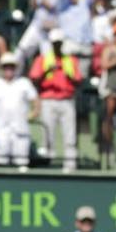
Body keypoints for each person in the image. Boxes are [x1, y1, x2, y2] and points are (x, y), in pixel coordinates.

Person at [29, 28, 82, 170]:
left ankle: (70, 166)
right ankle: (48, 165)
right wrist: (47, 70)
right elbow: (34, 78)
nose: (57, 46)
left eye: (59, 43)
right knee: (48, 135)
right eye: (55, 43)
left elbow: (78, 80)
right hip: (48, 100)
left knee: (70, 136)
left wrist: (69, 74)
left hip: (67, 100)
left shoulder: (70, 60)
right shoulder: (43, 59)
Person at [0, 52, 38, 166]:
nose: (9, 69)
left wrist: (32, 115)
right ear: (1, 68)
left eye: (11, 66)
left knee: (21, 165)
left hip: (21, 132)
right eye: (6, 66)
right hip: (1, 132)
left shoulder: (24, 83)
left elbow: (36, 101)